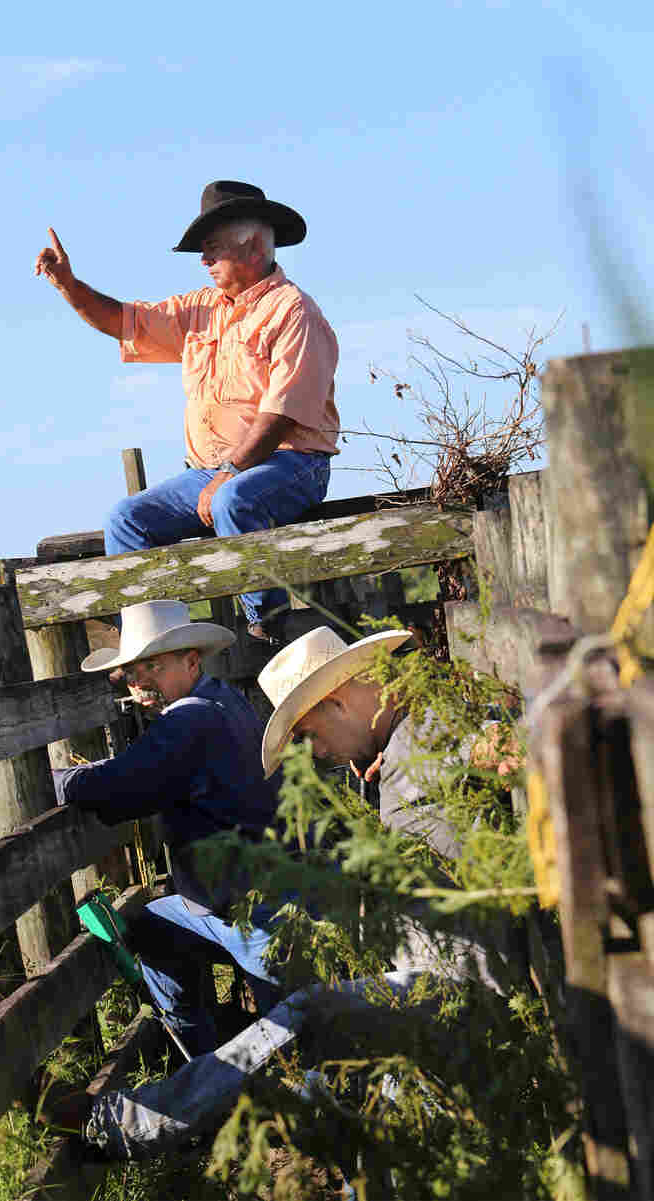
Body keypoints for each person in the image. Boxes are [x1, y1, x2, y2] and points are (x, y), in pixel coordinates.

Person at [35, 180, 340, 643]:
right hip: (214, 472)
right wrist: (69, 286)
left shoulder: (293, 311)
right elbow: (124, 322)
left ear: (254, 246)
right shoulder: (201, 309)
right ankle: (150, 640)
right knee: (126, 519)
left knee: (232, 501)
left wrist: (227, 472)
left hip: (292, 463)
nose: (204, 261)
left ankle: (268, 625)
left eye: (212, 249)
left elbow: (283, 413)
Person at [55, 599, 284, 1057]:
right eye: (132, 669)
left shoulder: (188, 721)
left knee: (295, 1042)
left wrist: (66, 778)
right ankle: (201, 1055)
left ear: (191, 660)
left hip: (250, 911)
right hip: (251, 897)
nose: (137, 679)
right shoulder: (224, 699)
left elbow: (117, 788)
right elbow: (147, 768)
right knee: (152, 928)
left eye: (151, 666)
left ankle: (215, 1076)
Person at [257, 625, 527, 994]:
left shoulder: (423, 737)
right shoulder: (401, 743)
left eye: (310, 735)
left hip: (470, 992)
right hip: (454, 979)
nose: (317, 752)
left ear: (338, 704)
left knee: (311, 1012)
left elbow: (501, 745)